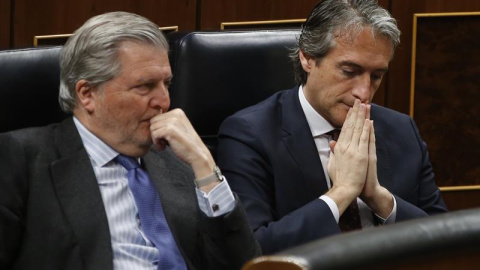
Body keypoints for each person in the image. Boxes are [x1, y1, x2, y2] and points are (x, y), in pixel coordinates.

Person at [0, 12, 260, 269]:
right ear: (87, 93)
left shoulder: (180, 160)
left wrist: (205, 166)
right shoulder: (23, 159)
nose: (164, 102)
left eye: (166, 84)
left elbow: (242, 264)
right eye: (145, 87)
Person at [217, 0, 447, 255]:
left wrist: (379, 198)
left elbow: (446, 239)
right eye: (349, 71)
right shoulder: (250, 135)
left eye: (376, 76)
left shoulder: (401, 130)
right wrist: (341, 193)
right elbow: (254, 251)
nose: (364, 92)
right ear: (307, 58)